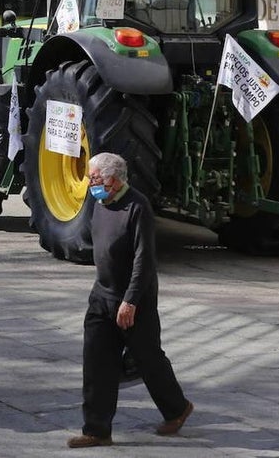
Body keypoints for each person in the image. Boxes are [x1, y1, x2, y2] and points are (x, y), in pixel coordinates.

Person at [67, 153, 193, 449]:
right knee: (96, 363)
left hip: (134, 301)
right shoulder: (99, 203)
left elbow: (144, 259)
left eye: (94, 178)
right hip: (102, 295)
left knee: (148, 359)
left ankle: (177, 408)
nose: (90, 183)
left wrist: (131, 301)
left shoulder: (137, 207)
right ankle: (96, 430)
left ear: (112, 180)